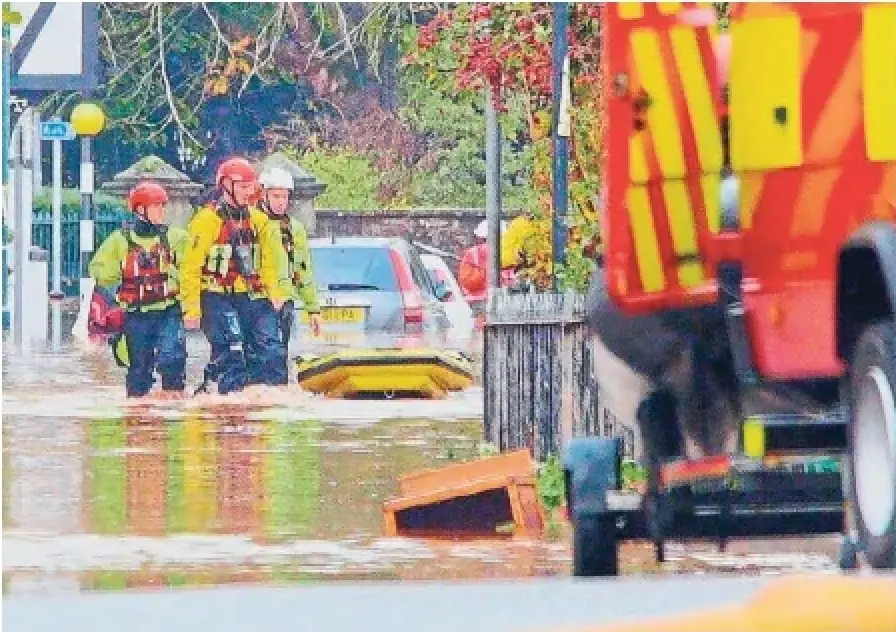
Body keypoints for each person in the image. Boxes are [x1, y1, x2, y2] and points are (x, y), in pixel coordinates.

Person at [180, 157, 288, 394]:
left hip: (253, 295)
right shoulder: (207, 221)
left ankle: (270, 404)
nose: (248, 192)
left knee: (272, 350)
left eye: (250, 187)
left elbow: (269, 262)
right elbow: (191, 267)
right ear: (226, 186)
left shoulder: (260, 221)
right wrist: (191, 309)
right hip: (218, 296)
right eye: (242, 187)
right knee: (232, 348)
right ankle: (224, 402)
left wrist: (275, 293)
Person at [88, 181, 189, 398]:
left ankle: (174, 406)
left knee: (173, 358)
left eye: (163, 206)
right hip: (136, 314)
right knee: (139, 371)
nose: (162, 211)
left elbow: (191, 267)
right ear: (140, 210)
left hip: (168, 310)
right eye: (157, 206)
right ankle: (139, 419)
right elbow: (102, 275)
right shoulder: (118, 242)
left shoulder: (176, 238)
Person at [257, 166, 322, 366]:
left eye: (284, 197)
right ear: (264, 195)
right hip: (258, 299)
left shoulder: (295, 228)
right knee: (264, 354)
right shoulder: (255, 223)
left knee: (281, 354)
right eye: (276, 196)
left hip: (286, 300)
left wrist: (313, 308)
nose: (281, 202)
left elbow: (303, 269)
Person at [457, 219, 513, 302]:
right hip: (505, 302)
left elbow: (466, 282)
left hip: (479, 303)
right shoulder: (511, 253)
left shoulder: (471, 253)